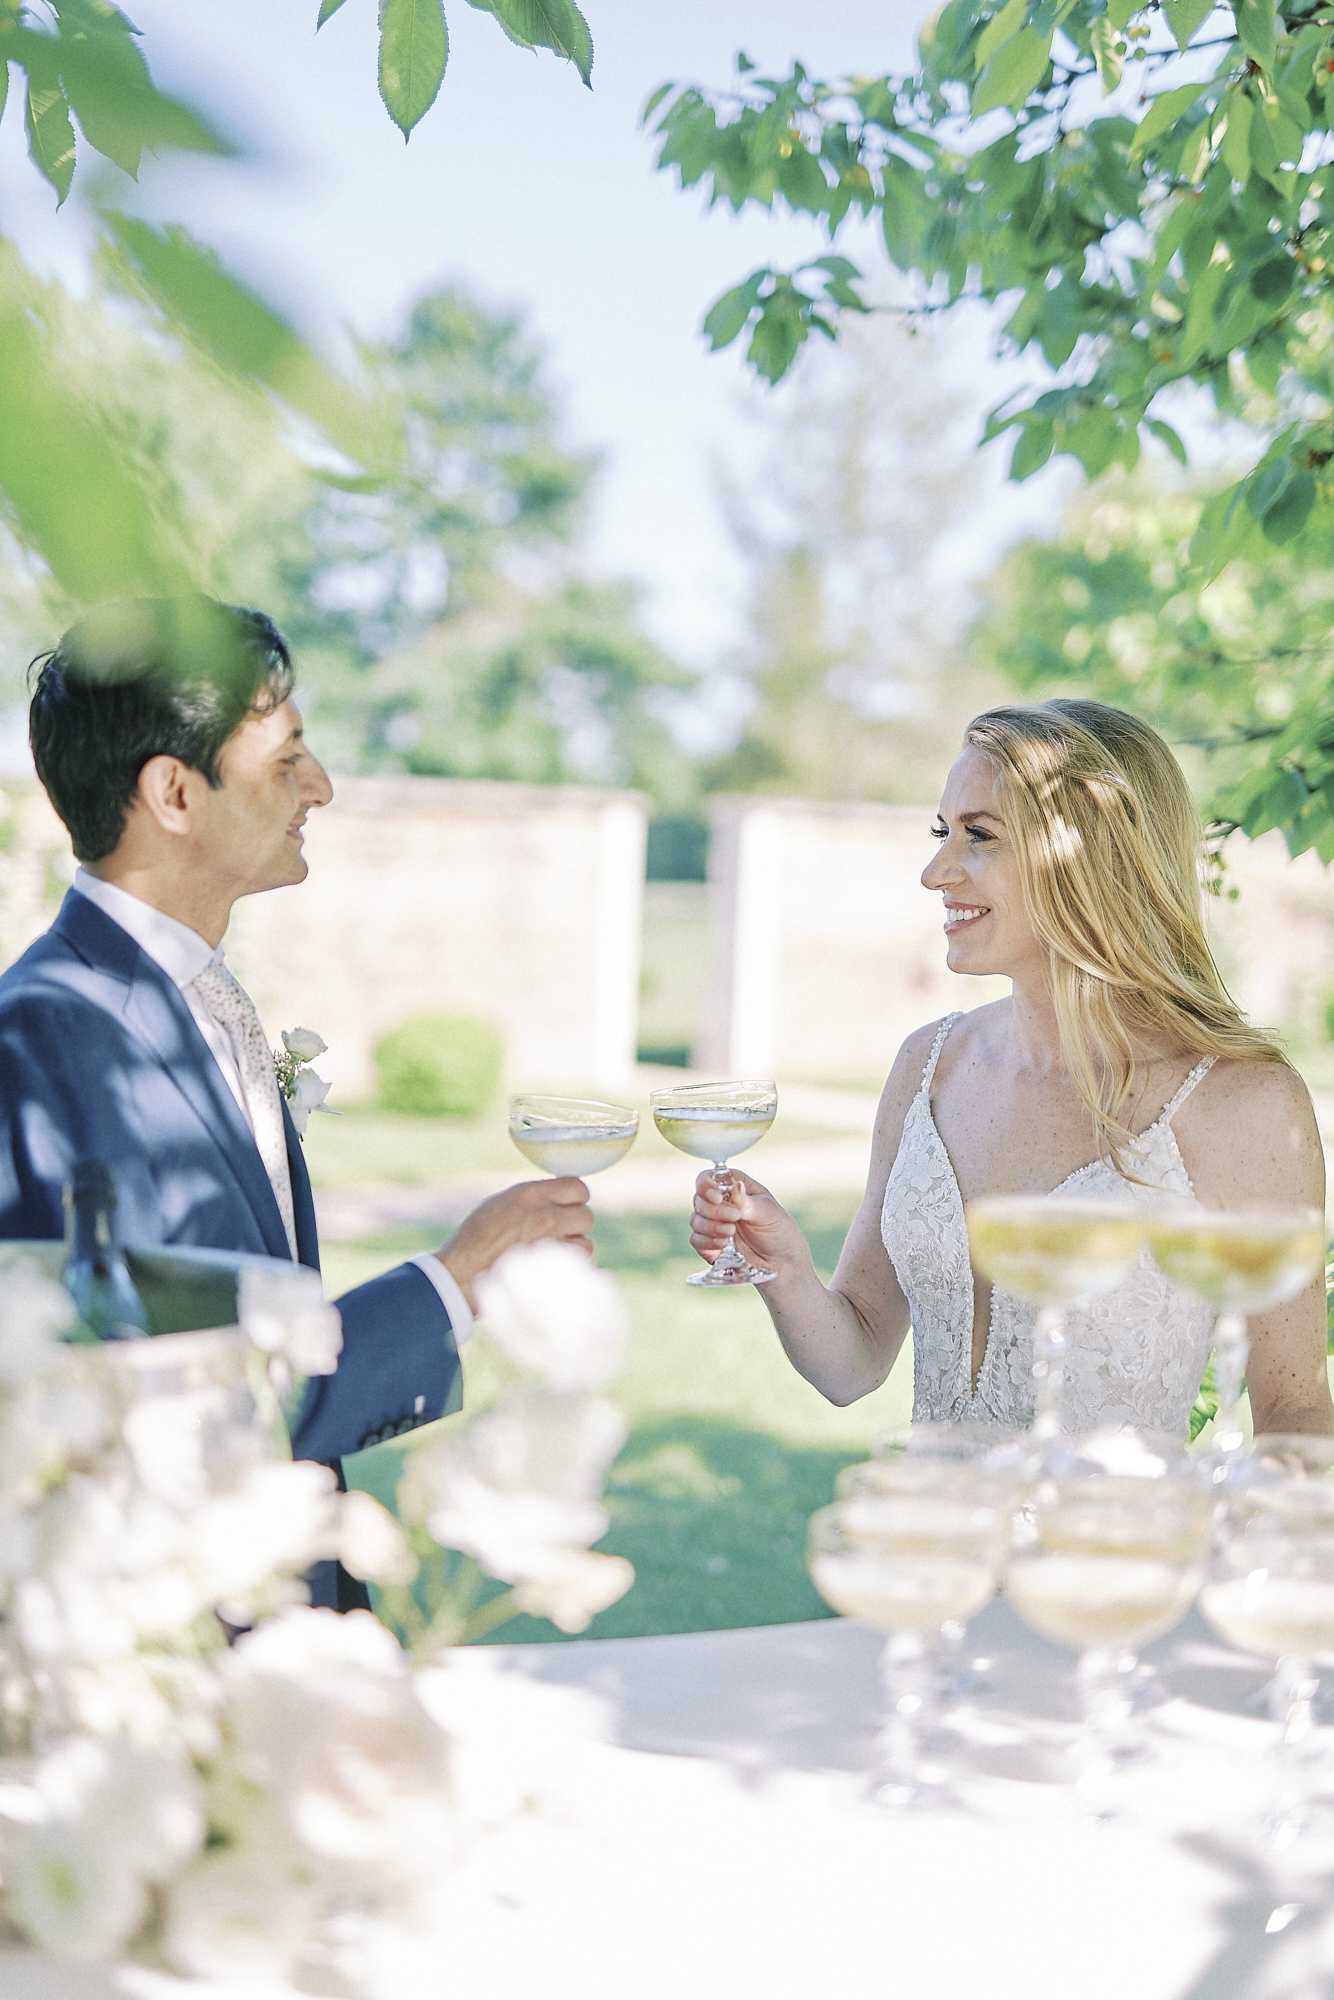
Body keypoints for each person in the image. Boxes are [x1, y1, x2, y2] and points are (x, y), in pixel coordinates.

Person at [0, 597, 594, 1605]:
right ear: (173, 794)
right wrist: (453, 1284)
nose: (321, 785)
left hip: (285, 1607)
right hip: (167, 1641)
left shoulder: (198, 1000)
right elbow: (159, 1406)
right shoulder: (46, 1038)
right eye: (286, 760)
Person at [691, 699, 1332, 1440]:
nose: (936, 872)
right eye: (943, 833)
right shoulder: (928, 1067)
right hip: (926, 1544)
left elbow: (1298, 1413)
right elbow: (855, 1361)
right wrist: (786, 1269)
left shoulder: (1242, 1102)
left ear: (1094, 855)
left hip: (1118, 1549)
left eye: (979, 837)